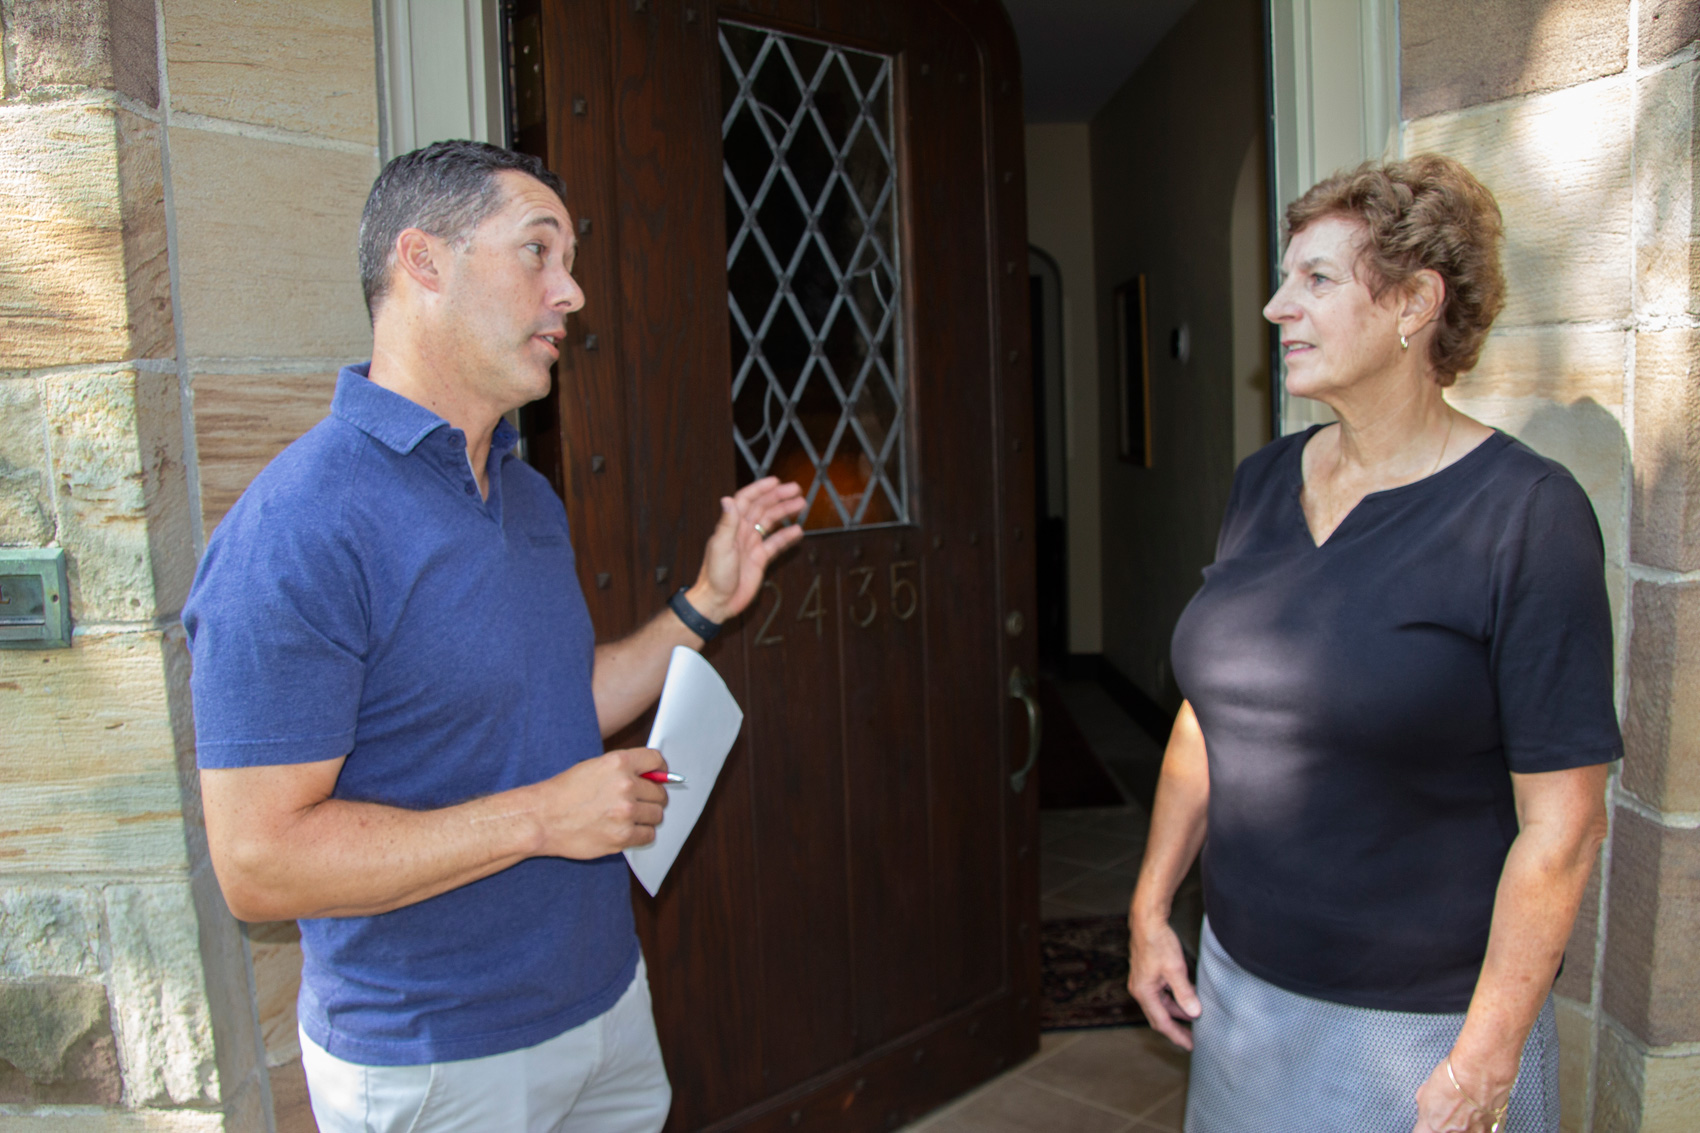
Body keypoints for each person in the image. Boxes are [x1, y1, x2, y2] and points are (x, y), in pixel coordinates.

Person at [183, 140, 804, 1133]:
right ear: (422, 262)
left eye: (569, 258)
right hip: (438, 1063)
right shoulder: (296, 528)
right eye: (537, 252)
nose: (573, 292)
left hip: (602, 1010)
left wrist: (702, 602)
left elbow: (557, 700)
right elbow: (258, 861)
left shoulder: (520, 491)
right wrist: (540, 819)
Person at [1125, 154, 1619, 1133]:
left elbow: (1560, 826)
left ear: (1413, 304)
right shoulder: (1261, 483)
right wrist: (1151, 906)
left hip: (1413, 1025)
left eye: (1313, 279)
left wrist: (1481, 1060)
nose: (1274, 306)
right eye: (1283, 276)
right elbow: (1207, 714)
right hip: (1239, 990)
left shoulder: (1525, 516)